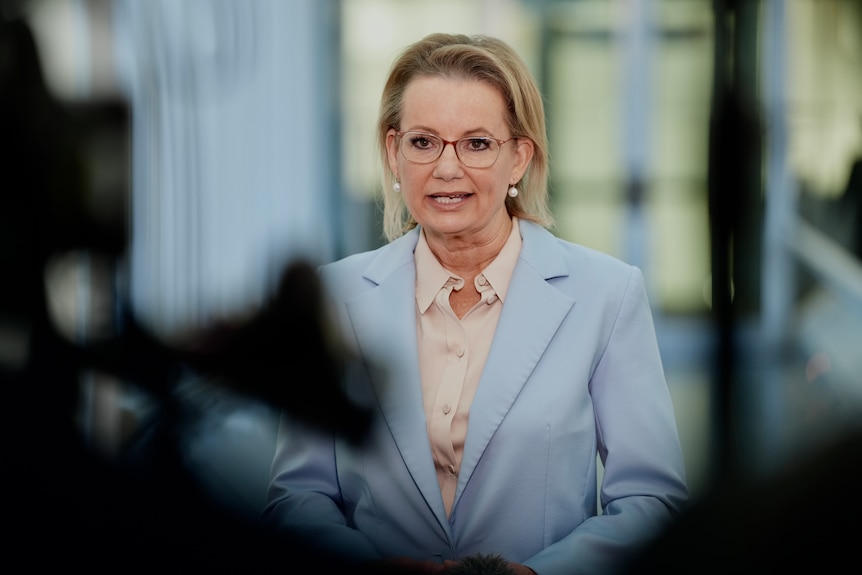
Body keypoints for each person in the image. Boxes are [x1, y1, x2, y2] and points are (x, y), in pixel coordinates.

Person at [262, 33, 689, 575]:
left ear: (519, 159)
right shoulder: (335, 298)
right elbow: (296, 497)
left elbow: (653, 503)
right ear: (394, 153)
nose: (446, 168)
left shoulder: (607, 295)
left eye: (477, 143)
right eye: (423, 142)